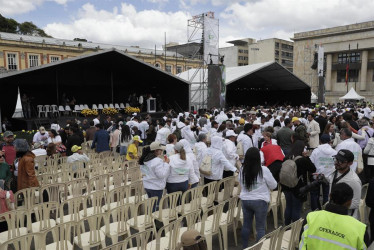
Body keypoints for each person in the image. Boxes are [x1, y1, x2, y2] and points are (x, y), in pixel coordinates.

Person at [300, 183, 366, 250]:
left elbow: (302, 245)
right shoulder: (360, 229)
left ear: (330, 196)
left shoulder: (311, 218)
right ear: (349, 202)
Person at [240, 147, 277, 248]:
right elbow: (274, 185)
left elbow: (241, 184)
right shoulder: (263, 170)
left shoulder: (242, 170)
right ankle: (259, 247)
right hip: (260, 201)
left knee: (246, 225)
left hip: (245, 200)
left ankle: (244, 247)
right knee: (260, 228)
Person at [282, 140, 316, 225]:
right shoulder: (302, 160)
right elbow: (313, 169)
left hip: (286, 185)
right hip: (298, 186)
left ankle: (287, 226)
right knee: (296, 208)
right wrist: (307, 157)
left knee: (289, 206)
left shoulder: (286, 157)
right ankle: (295, 229)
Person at [329, 149, 362, 219]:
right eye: (336, 159)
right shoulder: (335, 170)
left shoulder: (354, 180)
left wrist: (338, 205)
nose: (336, 163)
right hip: (332, 212)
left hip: (345, 217)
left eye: (341, 161)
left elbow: (356, 203)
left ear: (350, 163)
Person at [139, 142, 170, 211]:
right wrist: (166, 164)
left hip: (147, 185)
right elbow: (161, 175)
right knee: (155, 206)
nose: (162, 151)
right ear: (156, 151)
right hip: (156, 187)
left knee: (151, 204)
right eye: (161, 150)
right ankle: (154, 220)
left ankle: (151, 218)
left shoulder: (144, 159)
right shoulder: (157, 161)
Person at [309, 134, 336, 210]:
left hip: (317, 175)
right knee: (326, 194)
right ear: (330, 141)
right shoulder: (334, 152)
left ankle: (315, 210)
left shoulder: (316, 151)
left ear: (320, 141)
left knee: (314, 194)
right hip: (329, 175)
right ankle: (326, 209)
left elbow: (311, 162)